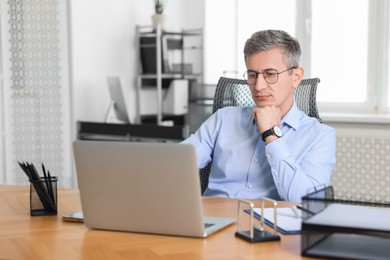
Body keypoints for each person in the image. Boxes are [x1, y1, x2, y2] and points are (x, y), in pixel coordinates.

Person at [182, 29, 336, 202]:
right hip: (214, 221)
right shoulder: (224, 119)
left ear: (296, 77)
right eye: (252, 75)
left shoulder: (320, 136)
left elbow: (307, 202)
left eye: (270, 74)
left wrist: (272, 135)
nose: (258, 86)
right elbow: (177, 163)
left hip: (269, 225)